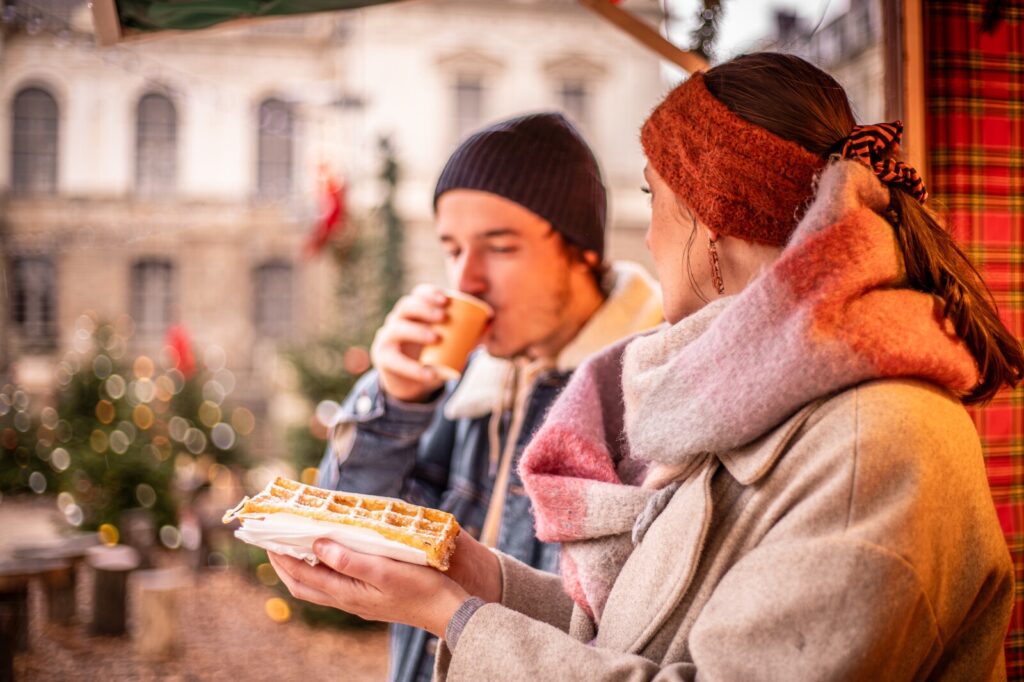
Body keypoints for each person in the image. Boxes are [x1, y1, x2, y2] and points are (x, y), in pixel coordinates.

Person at [272, 53, 1024, 679]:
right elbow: (635, 633)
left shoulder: (875, 441)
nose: (465, 277)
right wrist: (482, 578)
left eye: (651, 196)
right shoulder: (723, 401)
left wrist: (455, 619)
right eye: (451, 247)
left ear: (712, 226)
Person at [314, 111, 663, 681]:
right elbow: (344, 533)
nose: (466, 280)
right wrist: (393, 402)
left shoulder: (642, 398)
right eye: (452, 249)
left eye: (498, 247)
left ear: (583, 250)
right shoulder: (462, 388)